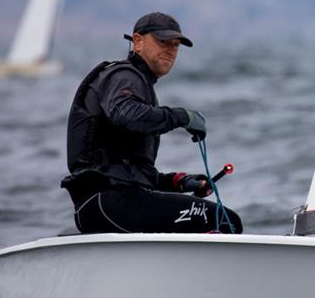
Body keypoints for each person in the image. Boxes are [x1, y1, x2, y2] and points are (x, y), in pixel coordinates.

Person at [61, 12, 243, 234]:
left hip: (102, 206)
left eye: (175, 45)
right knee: (223, 220)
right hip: (111, 203)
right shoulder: (124, 76)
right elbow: (128, 115)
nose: (170, 50)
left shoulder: (136, 83)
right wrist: (181, 116)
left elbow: (125, 171)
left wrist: (178, 182)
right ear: (137, 41)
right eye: (163, 41)